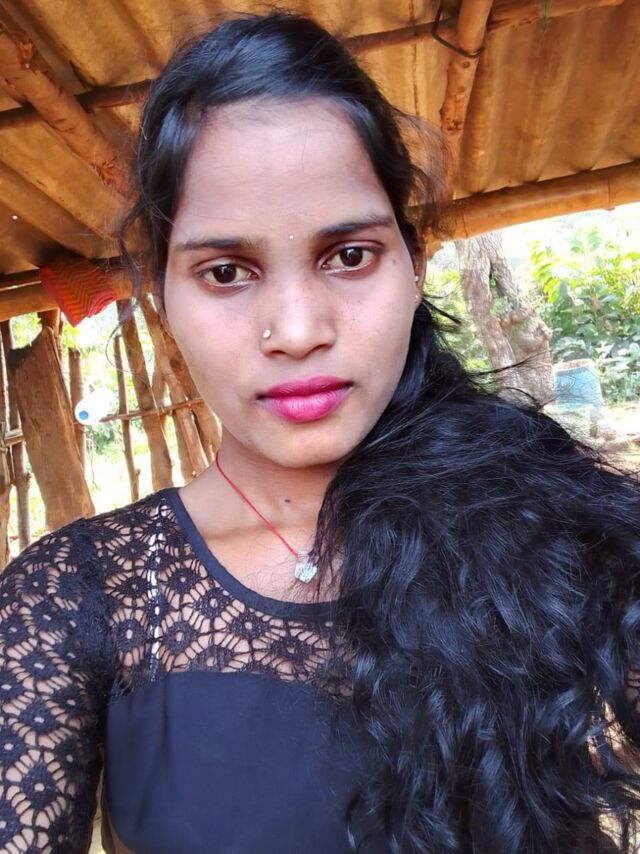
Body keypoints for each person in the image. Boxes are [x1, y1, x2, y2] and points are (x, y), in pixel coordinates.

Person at [1, 10, 640, 854]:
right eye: (226, 271)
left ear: (413, 266)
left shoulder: (548, 517)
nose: (298, 331)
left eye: (349, 255)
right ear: (161, 297)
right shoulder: (83, 594)